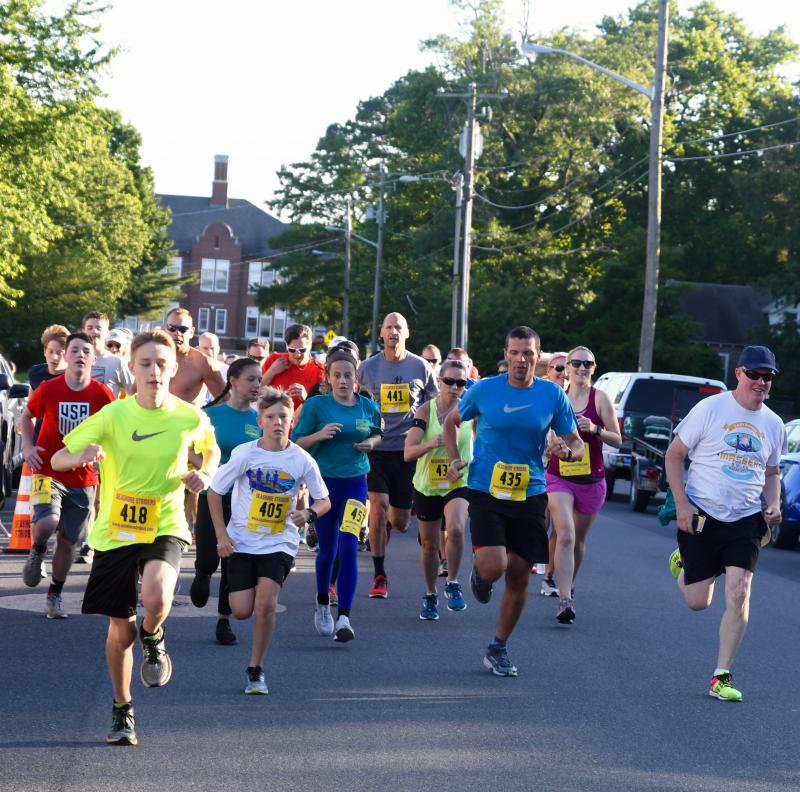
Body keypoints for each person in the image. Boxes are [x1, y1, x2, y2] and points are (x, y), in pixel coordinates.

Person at [51, 330, 220, 746]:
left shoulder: (189, 416)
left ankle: (155, 634)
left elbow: (211, 450)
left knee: (157, 599)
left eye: (161, 363)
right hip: (116, 531)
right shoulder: (113, 415)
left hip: (165, 523)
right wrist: (80, 456)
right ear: (132, 367)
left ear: (173, 368)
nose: (154, 371)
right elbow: (58, 457)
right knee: (121, 633)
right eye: (145, 363)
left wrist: (205, 473)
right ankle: (122, 707)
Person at [442, 326, 583, 677]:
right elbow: (451, 422)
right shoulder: (485, 389)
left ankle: (498, 647)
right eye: (515, 353)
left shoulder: (552, 394)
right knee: (495, 566)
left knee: (519, 575)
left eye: (528, 353)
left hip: (530, 492)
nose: (521, 360)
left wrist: (565, 451)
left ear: (538, 357)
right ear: (506, 355)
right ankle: (480, 571)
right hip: (486, 489)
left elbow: (576, 443)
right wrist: (454, 458)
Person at [664, 345, 785, 702]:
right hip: (703, 513)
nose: (761, 382)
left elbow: (772, 473)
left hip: (746, 519)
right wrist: (682, 505)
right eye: (754, 374)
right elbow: (674, 455)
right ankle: (684, 562)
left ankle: (721, 676)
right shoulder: (711, 408)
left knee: (739, 590)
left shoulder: (774, 424)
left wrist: (773, 503)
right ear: (739, 373)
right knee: (697, 602)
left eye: (767, 376)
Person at [209, 387, 330, 694]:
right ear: (260, 420)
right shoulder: (245, 454)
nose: (278, 422)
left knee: (265, 605)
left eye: (283, 417)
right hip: (242, 541)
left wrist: (309, 514)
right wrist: (221, 535)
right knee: (241, 610)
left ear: (292, 420)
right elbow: (214, 491)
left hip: (280, 542)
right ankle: (236, 587)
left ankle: (256, 669)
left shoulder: (302, 459)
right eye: (271, 417)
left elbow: (324, 500)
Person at [19, 332, 115, 617]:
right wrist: (28, 447)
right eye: (74, 350)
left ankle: (55, 594)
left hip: (84, 478)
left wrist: (104, 455)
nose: (80, 355)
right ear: (66, 356)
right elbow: (26, 416)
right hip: (47, 470)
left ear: (93, 359)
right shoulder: (49, 388)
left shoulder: (102, 395)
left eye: (86, 351)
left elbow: (114, 431)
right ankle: (37, 549)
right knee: (47, 522)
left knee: (68, 541)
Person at [293, 348, 382, 641]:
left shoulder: (367, 406)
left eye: (348, 375)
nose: (343, 381)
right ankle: (322, 603)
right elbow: (296, 442)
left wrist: (372, 443)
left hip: (356, 483)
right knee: (328, 549)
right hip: (324, 485)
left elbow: (378, 432)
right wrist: (319, 435)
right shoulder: (316, 406)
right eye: (337, 375)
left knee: (349, 546)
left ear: (356, 378)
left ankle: (344, 617)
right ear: (328, 378)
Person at [356, 312, 438, 598]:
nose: (393, 332)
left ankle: (390, 523)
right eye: (389, 327)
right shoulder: (367, 368)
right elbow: (355, 401)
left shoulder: (420, 366)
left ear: (407, 333)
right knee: (377, 509)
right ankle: (379, 575)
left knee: (401, 521)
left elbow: (434, 405)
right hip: (376, 449)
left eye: (398, 327)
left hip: (406, 451)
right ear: (381, 333)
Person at [545, 346, 621, 623]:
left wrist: (596, 430)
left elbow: (618, 440)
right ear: (567, 368)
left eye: (587, 364)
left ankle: (568, 584)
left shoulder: (600, 398)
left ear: (593, 368)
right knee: (565, 534)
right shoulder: (558, 398)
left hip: (591, 480)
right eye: (576, 363)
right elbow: (543, 432)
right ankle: (565, 600)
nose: (581, 368)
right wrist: (548, 445)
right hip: (559, 476)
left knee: (577, 541)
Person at [190, 357, 262, 645]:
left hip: (244, 502)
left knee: (232, 560)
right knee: (209, 558)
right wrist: (210, 469)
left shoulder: (258, 420)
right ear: (233, 381)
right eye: (251, 379)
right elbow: (187, 449)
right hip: (212, 496)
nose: (257, 385)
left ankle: (223, 620)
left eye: (260, 380)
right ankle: (202, 573)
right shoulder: (209, 416)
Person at [405, 358, 472, 620]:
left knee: (455, 529)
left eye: (461, 383)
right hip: (428, 484)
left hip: (459, 481)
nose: (455, 387)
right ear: (439, 381)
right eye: (450, 381)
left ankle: (452, 583)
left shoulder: (470, 411)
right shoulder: (425, 410)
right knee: (429, 545)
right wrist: (431, 443)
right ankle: (430, 593)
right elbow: (408, 453)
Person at [539, 352, 568, 597]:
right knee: (542, 523)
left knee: (560, 528)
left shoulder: (577, 399)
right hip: (536, 468)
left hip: (565, 471)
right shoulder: (540, 395)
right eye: (558, 368)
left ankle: (548, 576)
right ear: (548, 371)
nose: (563, 373)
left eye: (567, 368)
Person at [162, 308, 226, 406]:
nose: (177, 333)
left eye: (183, 329)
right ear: (164, 329)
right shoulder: (151, 358)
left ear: (191, 332)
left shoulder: (202, 362)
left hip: (188, 415)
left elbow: (226, 402)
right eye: (172, 328)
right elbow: (137, 393)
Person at [260, 324, 324, 413]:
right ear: (287, 346)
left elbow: (322, 408)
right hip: (275, 419)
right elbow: (257, 391)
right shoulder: (274, 360)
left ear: (310, 346)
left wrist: (306, 397)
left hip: (303, 419)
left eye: (302, 350)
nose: (298, 355)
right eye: (292, 350)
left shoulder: (320, 369)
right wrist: (272, 371)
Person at [82, 311, 134, 397]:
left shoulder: (117, 362)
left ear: (107, 333)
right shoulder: (75, 359)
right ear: (83, 331)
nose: (94, 331)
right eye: (90, 328)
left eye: (98, 328)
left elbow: (135, 393)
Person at [28, 325, 68, 391]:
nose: (54, 357)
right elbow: (31, 397)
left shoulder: (74, 377)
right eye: (51, 352)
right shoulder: (35, 374)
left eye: (59, 353)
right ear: (45, 351)